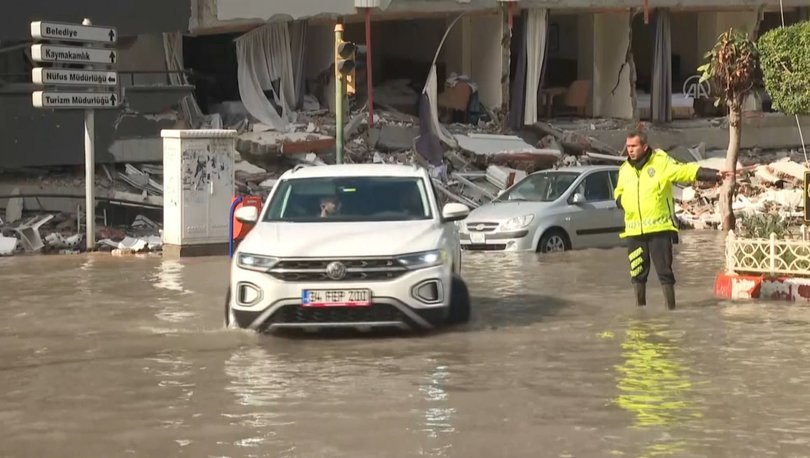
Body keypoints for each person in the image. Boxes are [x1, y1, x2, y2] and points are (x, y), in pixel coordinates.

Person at [613, 130, 731, 310]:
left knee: (664, 272)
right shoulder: (624, 169)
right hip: (634, 231)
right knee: (637, 273)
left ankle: (671, 311)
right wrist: (621, 201)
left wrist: (713, 174)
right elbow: (618, 191)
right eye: (628, 146)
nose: (630, 150)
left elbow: (685, 171)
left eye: (634, 146)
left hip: (659, 229)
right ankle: (640, 311)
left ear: (644, 146)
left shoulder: (661, 163)